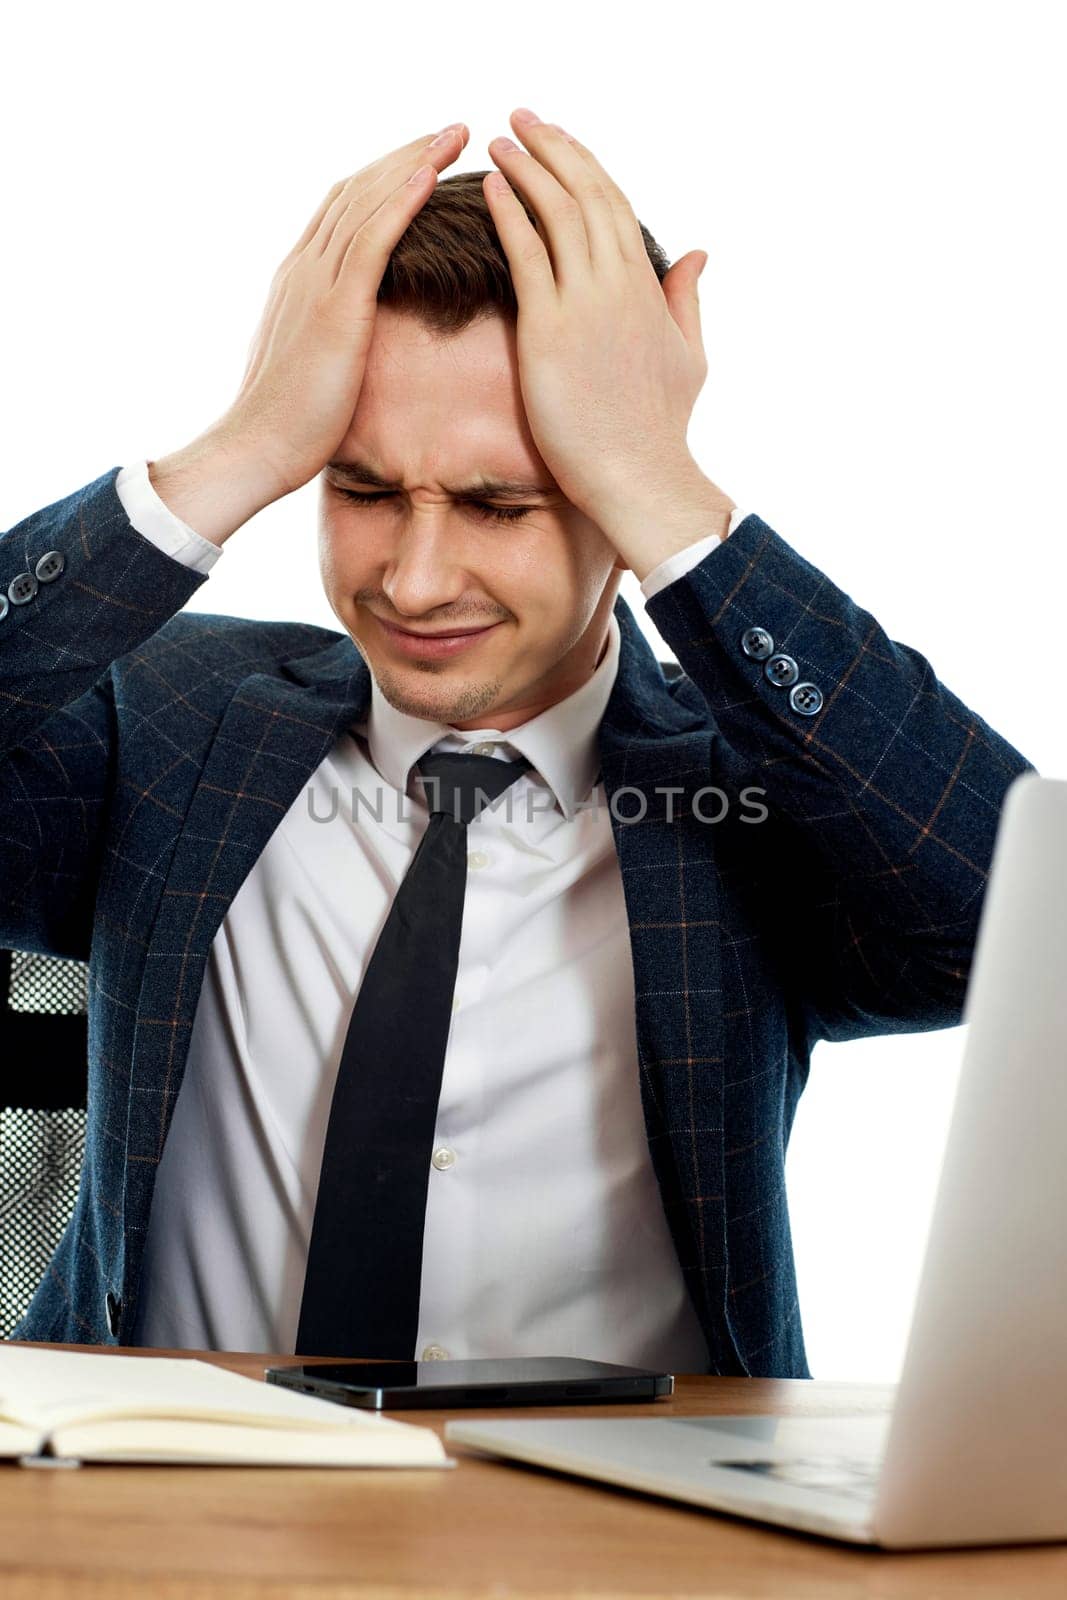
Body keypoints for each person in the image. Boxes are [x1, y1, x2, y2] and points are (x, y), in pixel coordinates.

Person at [0, 109, 1035, 1377]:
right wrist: (245, 448)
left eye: (500, 504)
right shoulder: (164, 719)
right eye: (363, 489)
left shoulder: (746, 791)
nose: (415, 578)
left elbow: (1015, 931)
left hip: (628, 1532)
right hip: (166, 1511)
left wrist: (664, 488)